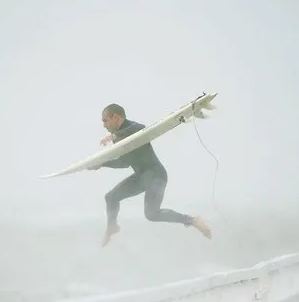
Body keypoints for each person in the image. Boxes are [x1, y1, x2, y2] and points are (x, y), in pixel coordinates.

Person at [90, 103, 212, 247]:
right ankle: (112, 227)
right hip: (141, 177)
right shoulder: (118, 138)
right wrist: (102, 163)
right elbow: (124, 162)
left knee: (151, 214)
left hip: (155, 176)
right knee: (110, 197)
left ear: (115, 117)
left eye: (105, 120)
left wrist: (115, 135)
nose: (103, 125)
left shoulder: (132, 127)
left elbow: (142, 129)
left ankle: (192, 220)